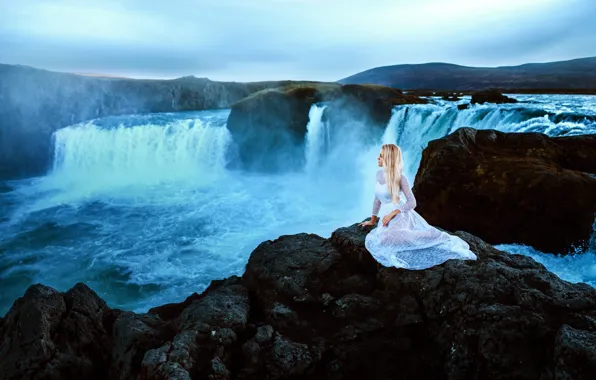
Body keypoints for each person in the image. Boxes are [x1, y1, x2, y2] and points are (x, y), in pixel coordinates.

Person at [358, 143, 477, 269]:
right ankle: (427, 236)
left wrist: (393, 213)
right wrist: (372, 220)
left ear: (388, 158)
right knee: (383, 240)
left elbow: (412, 203)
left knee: (390, 238)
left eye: (381, 156)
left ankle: (436, 236)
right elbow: (377, 199)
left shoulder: (400, 178)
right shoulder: (379, 174)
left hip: (401, 214)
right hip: (387, 215)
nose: (377, 158)